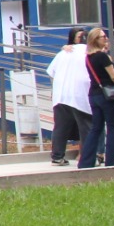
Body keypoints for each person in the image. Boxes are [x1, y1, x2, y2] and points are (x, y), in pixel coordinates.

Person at [78, 27, 114, 169]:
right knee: (112, 127)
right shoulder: (102, 57)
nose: (106, 39)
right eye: (103, 37)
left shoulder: (88, 57)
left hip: (94, 94)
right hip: (106, 94)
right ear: (96, 39)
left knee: (96, 128)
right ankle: (112, 160)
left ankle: (86, 161)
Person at [46, 27, 90, 166]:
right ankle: (87, 156)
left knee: (60, 127)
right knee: (86, 127)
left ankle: (57, 156)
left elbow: (51, 72)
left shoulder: (63, 53)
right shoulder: (89, 52)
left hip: (61, 95)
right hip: (80, 95)